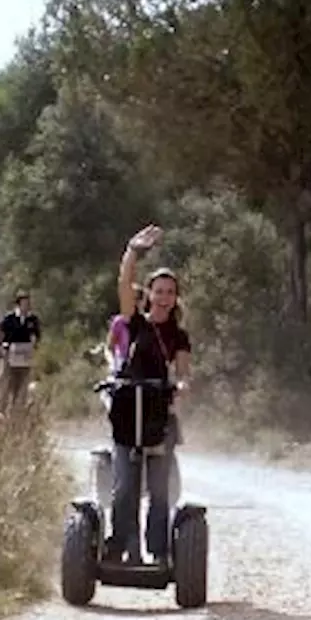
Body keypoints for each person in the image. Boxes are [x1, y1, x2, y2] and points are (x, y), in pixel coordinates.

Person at [103, 224, 192, 565]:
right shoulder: (134, 322)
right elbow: (124, 285)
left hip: (157, 411)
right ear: (150, 294)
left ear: (175, 297)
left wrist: (182, 386)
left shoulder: (179, 335)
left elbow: (182, 371)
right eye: (159, 290)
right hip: (127, 408)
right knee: (125, 487)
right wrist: (133, 251)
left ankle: (159, 551)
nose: (164, 296)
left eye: (170, 291)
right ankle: (118, 546)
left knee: (158, 489)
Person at [0, 291, 41, 411]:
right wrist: (5, 346)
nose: (26, 306)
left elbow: (37, 335)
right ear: (18, 304)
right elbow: (2, 334)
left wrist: (34, 342)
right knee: (9, 382)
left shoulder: (32, 319)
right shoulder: (10, 318)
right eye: (24, 303)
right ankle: (3, 409)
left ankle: (18, 409)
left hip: (26, 355)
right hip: (11, 354)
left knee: (23, 382)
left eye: (28, 303)